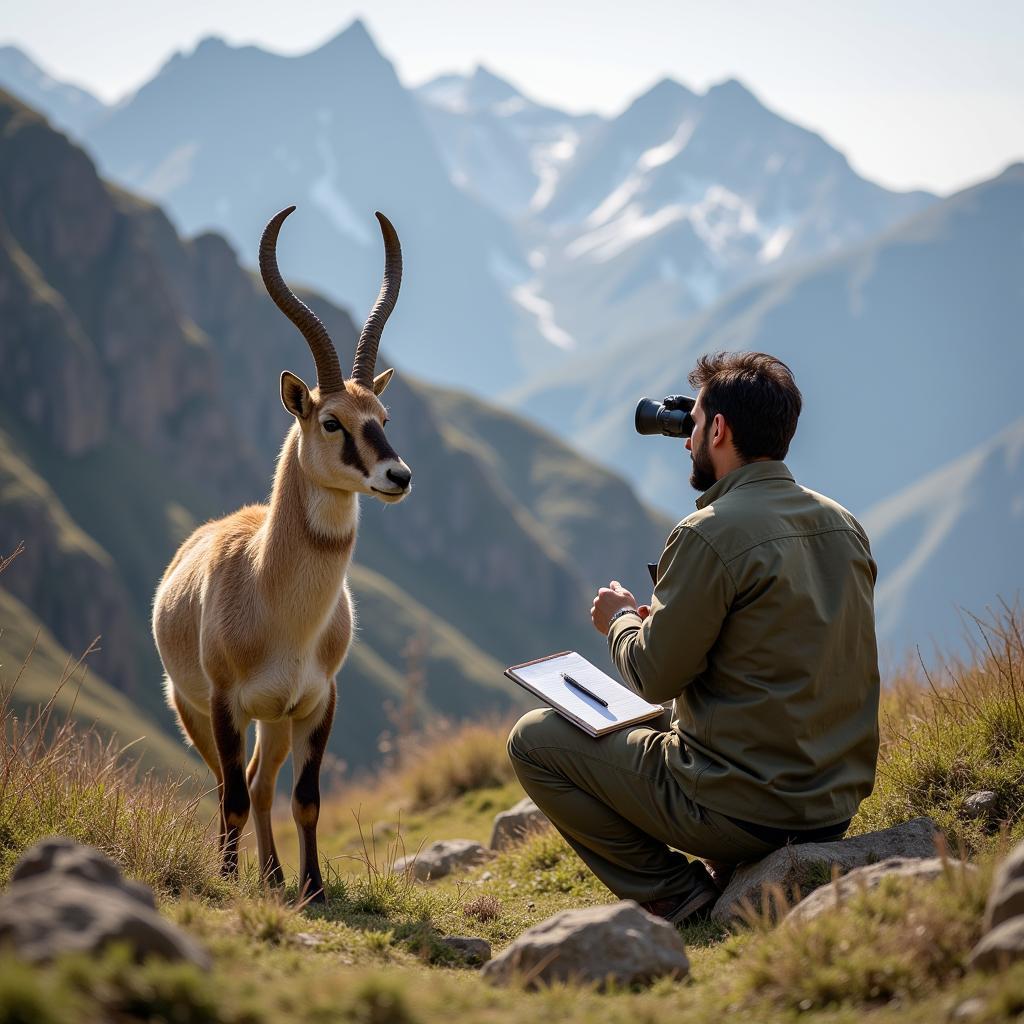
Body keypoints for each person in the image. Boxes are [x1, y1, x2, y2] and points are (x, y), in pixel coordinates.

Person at [507, 351, 880, 926]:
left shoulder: (709, 534)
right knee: (645, 724)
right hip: (831, 804)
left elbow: (655, 675)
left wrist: (621, 621)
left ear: (720, 429)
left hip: (746, 806)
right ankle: (720, 866)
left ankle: (676, 893)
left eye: (695, 424)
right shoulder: (843, 523)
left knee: (534, 738)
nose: (685, 441)